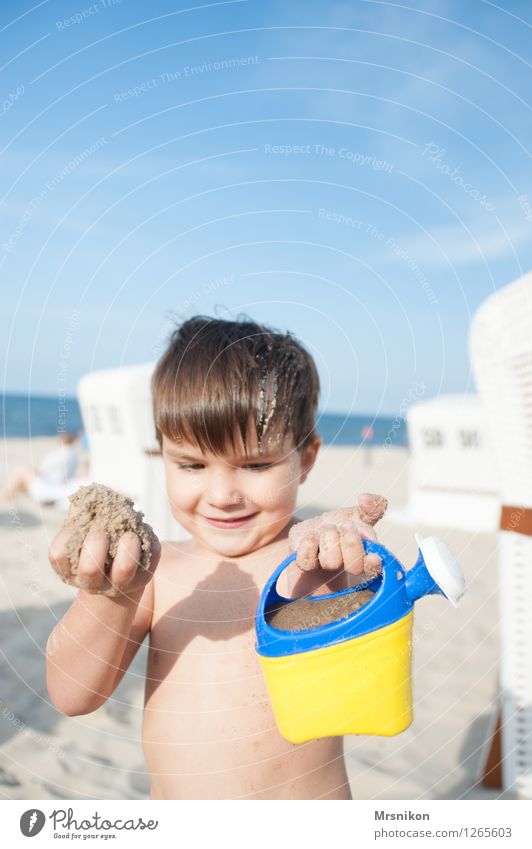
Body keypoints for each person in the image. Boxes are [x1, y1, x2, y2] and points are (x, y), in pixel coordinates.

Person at [45, 316, 387, 800]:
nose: (223, 494)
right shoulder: (156, 574)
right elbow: (72, 695)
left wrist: (352, 555)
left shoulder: (315, 565)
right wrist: (104, 594)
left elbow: (371, 665)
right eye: (192, 464)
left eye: (255, 465)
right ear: (160, 453)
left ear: (305, 458)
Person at [0, 431, 85, 506]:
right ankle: (10, 495)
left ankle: (6, 496)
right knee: (25, 475)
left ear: (61, 440)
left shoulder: (61, 453)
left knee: (21, 471)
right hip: (58, 485)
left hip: (49, 487)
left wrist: (32, 471)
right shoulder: (74, 455)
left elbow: (41, 469)